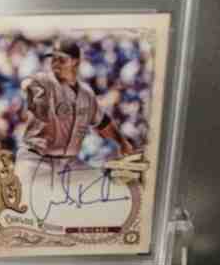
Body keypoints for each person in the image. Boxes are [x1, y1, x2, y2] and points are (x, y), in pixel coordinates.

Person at [11, 40, 134, 221]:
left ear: (75, 62)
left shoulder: (86, 94)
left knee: (108, 195)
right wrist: (29, 87)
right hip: (36, 162)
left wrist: (122, 142)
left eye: (61, 59)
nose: (55, 63)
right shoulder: (46, 82)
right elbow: (29, 83)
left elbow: (103, 122)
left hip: (69, 163)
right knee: (27, 218)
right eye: (53, 59)